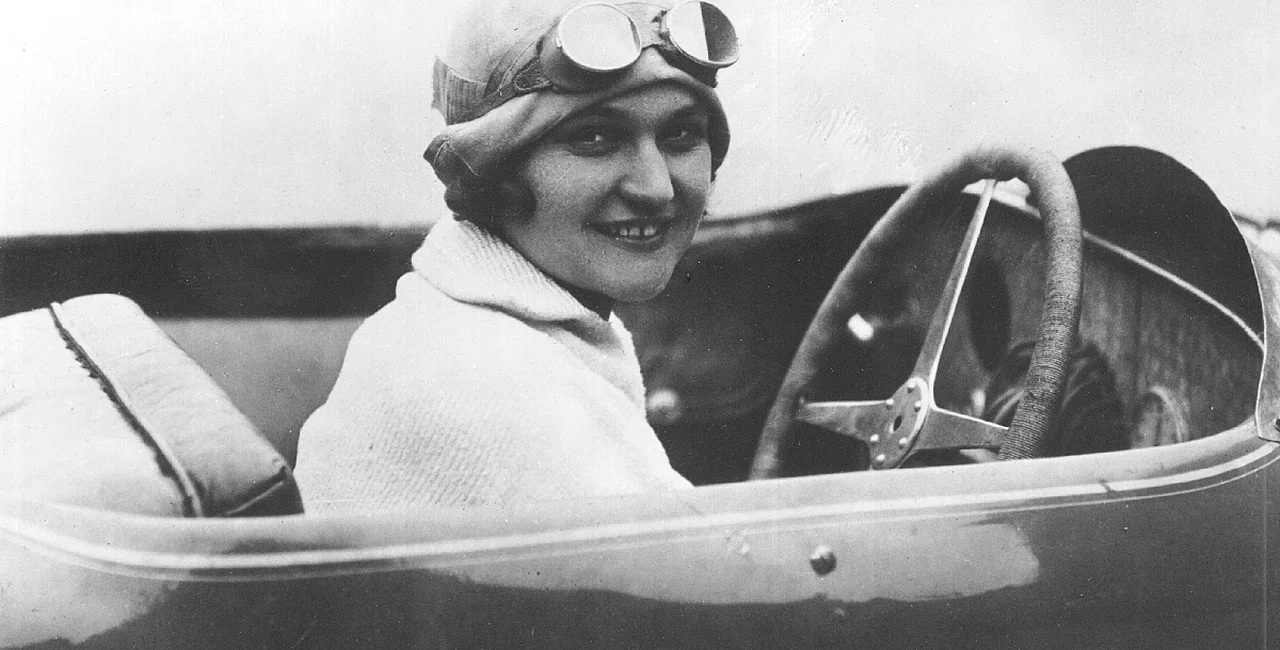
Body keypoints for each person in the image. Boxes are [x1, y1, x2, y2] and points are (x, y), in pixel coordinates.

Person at [294, 0, 738, 510]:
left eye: (680, 134)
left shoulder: (454, 321)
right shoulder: (490, 382)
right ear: (495, 168)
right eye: (594, 138)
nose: (656, 188)